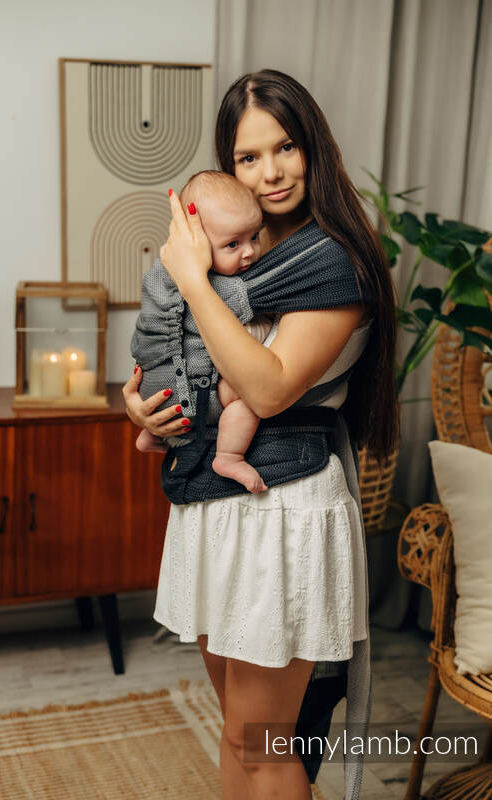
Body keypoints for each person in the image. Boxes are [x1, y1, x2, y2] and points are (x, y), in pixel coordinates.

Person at [123, 69, 399, 800]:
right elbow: (179, 350)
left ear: (313, 147)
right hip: (218, 502)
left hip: (283, 505)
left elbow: (270, 387)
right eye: (248, 157)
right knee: (236, 734)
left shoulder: (330, 260)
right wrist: (142, 408)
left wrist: (190, 279)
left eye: (285, 148)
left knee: (265, 744)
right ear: (229, 164)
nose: (270, 172)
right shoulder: (239, 252)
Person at [134, 170, 272, 494]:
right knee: (246, 396)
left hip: (149, 390)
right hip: (189, 394)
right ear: (197, 244)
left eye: (254, 237)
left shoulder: (160, 271)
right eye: (233, 244)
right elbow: (254, 327)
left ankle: (151, 435)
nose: (249, 252)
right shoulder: (221, 286)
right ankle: (229, 456)